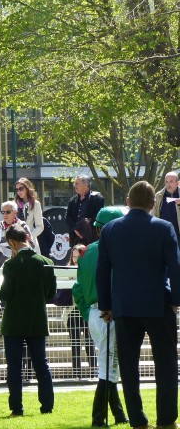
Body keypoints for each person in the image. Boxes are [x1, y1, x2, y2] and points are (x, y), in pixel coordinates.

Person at [97, 181, 180, 429]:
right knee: (166, 366)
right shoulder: (164, 227)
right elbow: (175, 267)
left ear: (128, 202)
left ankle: (137, 419)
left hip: (124, 306)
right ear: (152, 204)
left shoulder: (110, 230)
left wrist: (106, 305)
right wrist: (177, 300)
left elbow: (103, 271)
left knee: (129, 368)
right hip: (159, 305)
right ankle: (166, 419)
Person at [72, 206, 128, 427]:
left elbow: (77, 289)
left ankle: (119, 415)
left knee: (109, 366)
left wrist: (89, 313)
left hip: (95, 315)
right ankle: (98, 417)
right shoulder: (115, 251)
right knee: (108, 368)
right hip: (109, 315)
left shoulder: (86, 252)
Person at [0, 223, 56, 417]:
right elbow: (51, 294)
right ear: (27, 238)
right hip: (37, 319)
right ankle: (47, 406)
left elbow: (5, 293)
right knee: (41, 364)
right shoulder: (46, 261)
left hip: (14, 322)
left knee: (14, 366)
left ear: (12, 242)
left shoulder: (10, 265)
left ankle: (16, 408)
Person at [64, 244, 96, 379]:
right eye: (74, 256)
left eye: (79, 256)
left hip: (87, 310)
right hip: (72, 312)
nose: (76, 259)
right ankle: (77, 372)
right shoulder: (66, 270)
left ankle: (94, 371)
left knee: (90, 342)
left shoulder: (89, 269)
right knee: (75, 343)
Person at [0, 200, 35, 267]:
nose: (5, 214)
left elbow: (31, 244)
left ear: (15, 213)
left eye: (8, 212)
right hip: (2, 264)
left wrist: (13, 251)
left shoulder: (23, 226)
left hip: (21, 263)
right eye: (3, 212)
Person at [66, 174, 106, 246]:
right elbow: (68, 217)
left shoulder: (98, 199)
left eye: (77, 183)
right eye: (74, 183)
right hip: (75, 238)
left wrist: (84, 229)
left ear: (86, 184)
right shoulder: (72, 200)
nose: (75, 185)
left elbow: (98, 217)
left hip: (92, 239)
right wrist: (75, 229)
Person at [14, 178, 44, 251]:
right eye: (17, 189)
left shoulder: (35, 204)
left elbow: (40, 226)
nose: (18, 191)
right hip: (15, 241)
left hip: (30, 242)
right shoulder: (14, 204)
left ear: (27, 189)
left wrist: (29, 236)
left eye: (21, 189)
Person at [151, 171, 180, 237]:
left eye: (171, 181)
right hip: (163, 235)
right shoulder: (158, 196)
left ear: (177, 183)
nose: (168, 185)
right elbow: (153, 215)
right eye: (166, 182)